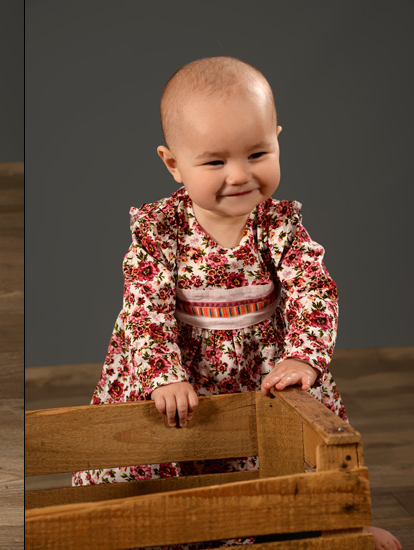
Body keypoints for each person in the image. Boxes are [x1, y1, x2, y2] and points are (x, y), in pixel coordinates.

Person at [72, 56, 400, 550]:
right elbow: (144, 309)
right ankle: (162, 534)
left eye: (258, 153)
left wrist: (302, 357)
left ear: (278, 139)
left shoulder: (280, 225)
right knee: (164, 458)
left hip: (259, 375)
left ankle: (317, 529)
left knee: (286, 454)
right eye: (215, 161)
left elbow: (313, 289)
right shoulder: (162, 231)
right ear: (173, 163)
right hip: (183, 379)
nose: (239, 175)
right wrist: (164, 374)